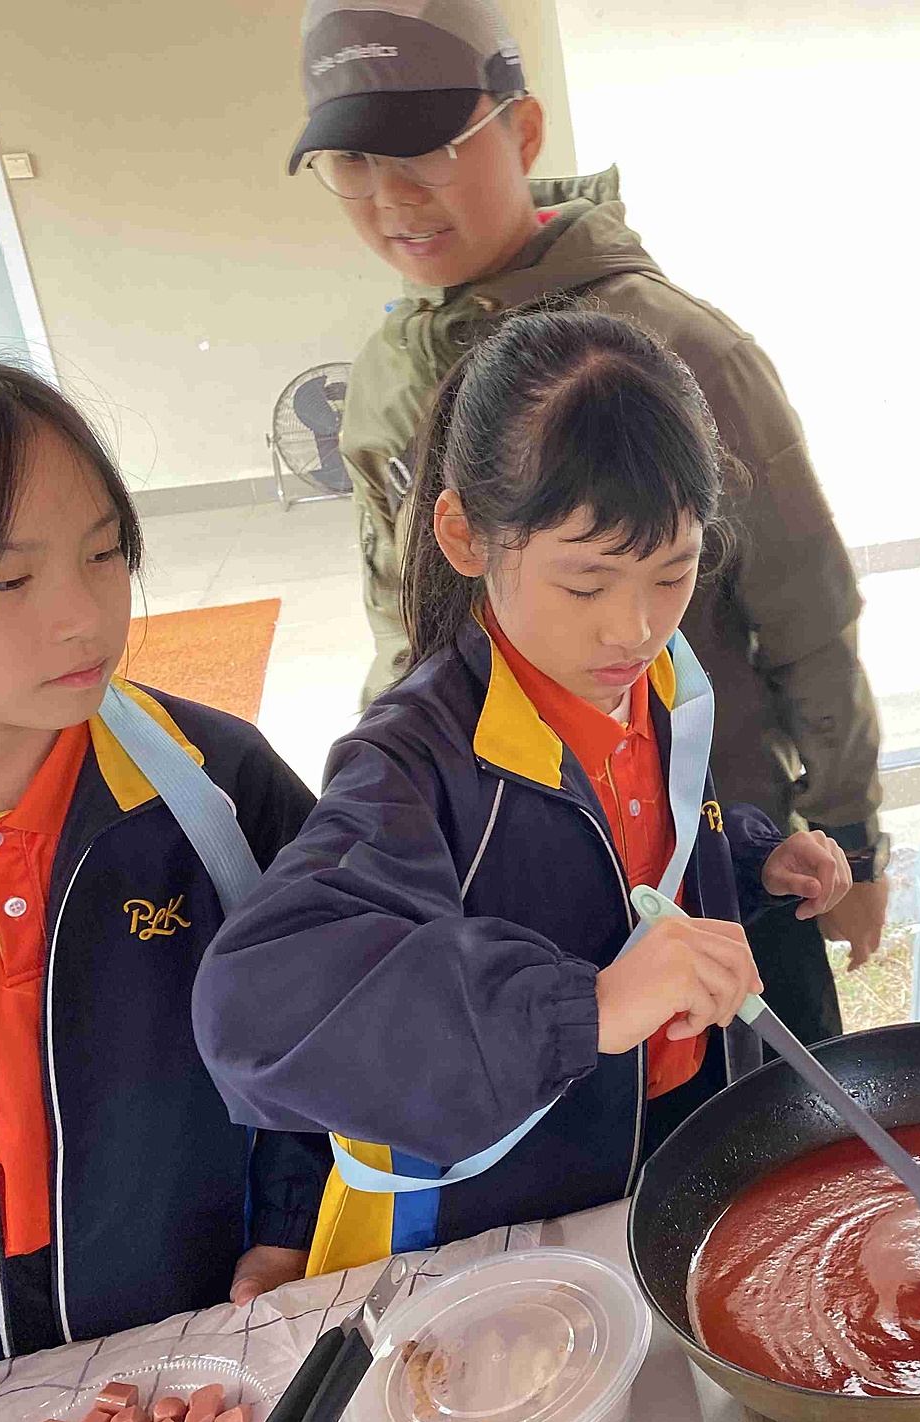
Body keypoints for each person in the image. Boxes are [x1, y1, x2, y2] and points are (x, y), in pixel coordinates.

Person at [194, 307, 852, 1272]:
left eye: (673, 574)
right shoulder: (411, 762)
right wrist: (583, 1008)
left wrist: (750, 856)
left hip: (667, 1148)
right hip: (494, 1231)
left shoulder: (665, 682)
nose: (634, 628)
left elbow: (643, 837)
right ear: (465, 535)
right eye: (585, 585)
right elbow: (254, 1010)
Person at [289, 0, 888, 1044]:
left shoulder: (678, 351)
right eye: (353, 161)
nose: (392, 196)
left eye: (426, 150)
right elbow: (402, 624)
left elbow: (810, 614)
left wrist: (849, 835)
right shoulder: (384, 374)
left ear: (521, 130)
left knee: (764, 1120)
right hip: (508, 878)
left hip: (708, 859)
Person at [0, 352, 327, 1363]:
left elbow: (325, 1019)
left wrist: (291, 1225)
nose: (85, 616)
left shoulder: (218, 784)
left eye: (104, 552)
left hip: (204, 1344)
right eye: (9, 577)